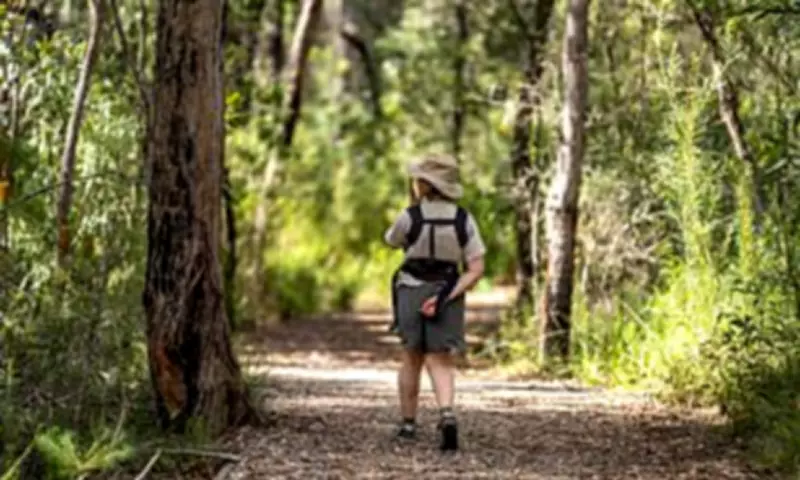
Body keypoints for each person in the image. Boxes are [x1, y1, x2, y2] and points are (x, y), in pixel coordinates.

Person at [383, 153, 486, 452]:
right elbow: (476, 268)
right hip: (447, 293)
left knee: (411, 357)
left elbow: (391, 239)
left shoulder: (410, 216)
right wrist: (447, 296)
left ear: (424, 185)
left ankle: (408, 424)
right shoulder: (463, 219)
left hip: (411, 289)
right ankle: (447, 414)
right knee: (440, 360)